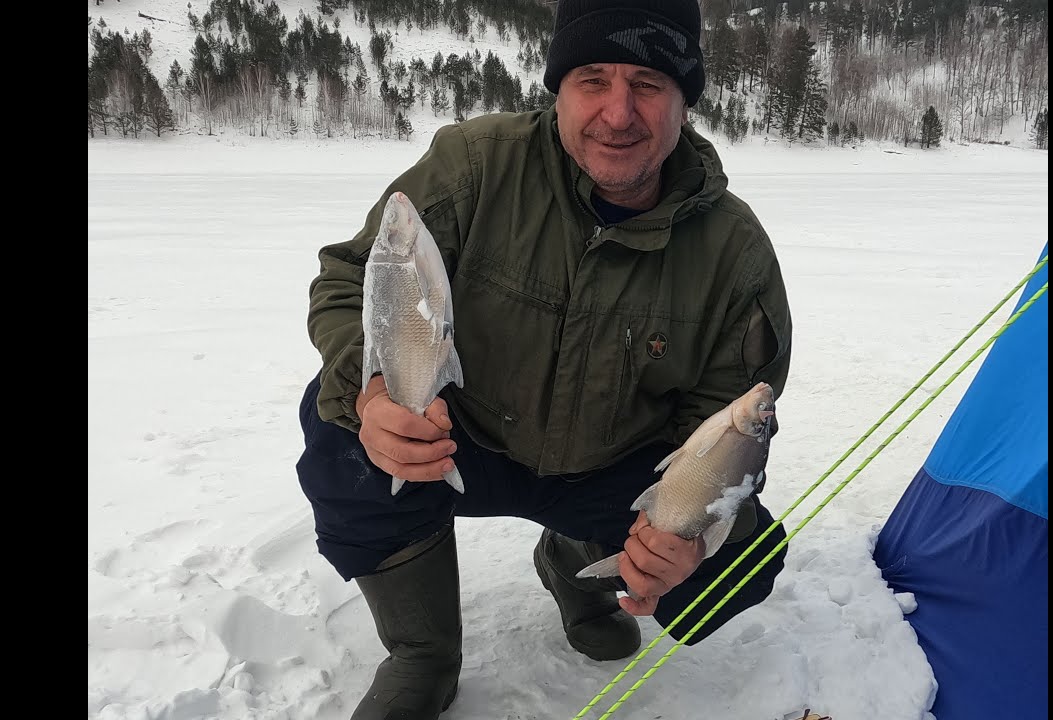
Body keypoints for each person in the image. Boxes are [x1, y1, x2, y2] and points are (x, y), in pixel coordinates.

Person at [296, 0, 793, 716]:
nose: (618, 113)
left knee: (737, 564)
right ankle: (424, 651)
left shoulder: (734, 252)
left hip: (609, 466)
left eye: (648, 84)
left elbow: (733, 431)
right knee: (340, 429)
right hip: (459, 438)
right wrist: (373, 393)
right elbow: (351, 282)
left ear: (686, 101)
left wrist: (686, 535)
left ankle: (575, 564)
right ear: (558, 87)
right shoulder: (473, 167)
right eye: (593, 78)